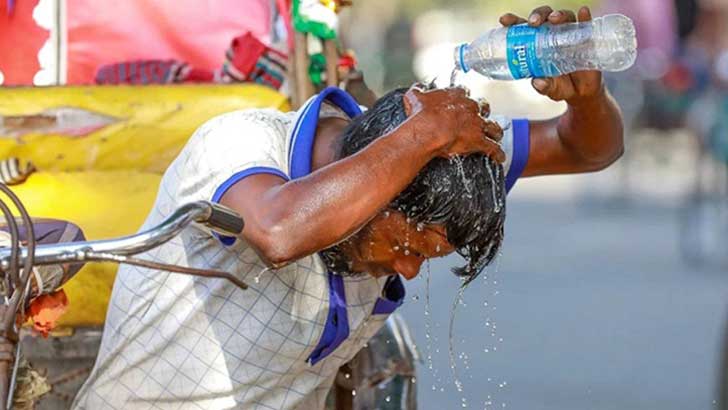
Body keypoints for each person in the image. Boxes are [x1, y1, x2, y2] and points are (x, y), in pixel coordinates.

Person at [73, 6, 623, 410]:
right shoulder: (238, 145)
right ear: (381, 183)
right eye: (409, 246)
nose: (408, 270)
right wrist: (421, 135)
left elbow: (589, 148)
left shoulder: (440, 161)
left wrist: (584, 97)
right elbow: (279, 232)